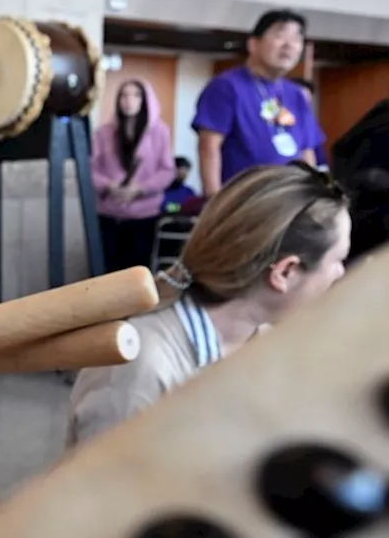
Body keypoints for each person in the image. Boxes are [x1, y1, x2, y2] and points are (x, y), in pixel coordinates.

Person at [66, 162, 350, 446]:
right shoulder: (139, 368)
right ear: (284, 272)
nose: (341, 274)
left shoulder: (262, 337)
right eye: (337, 260)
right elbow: (104, 489)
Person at [192, 9, 325, 197]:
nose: (289, 45)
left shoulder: (296, 94)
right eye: (280, 35)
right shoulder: (226, 86)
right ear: (253, 44)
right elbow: (208, 146)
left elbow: (306, 150)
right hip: (244, 201)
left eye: (296, 38)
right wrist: (214, 198)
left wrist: (314, 196)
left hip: (291, 201)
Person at [90, 78, 176, 271]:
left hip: (144, 216)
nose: (129, 100)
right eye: (124, 95)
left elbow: (167, 170)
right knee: (107, 270)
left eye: (135, 95)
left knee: (138, 271)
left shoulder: (159, 132)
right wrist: (109, 185)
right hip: (108, 214)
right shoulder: (104, 133)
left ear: (145, 100)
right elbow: (90, 169)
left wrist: (140, 189)